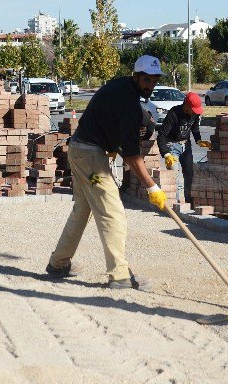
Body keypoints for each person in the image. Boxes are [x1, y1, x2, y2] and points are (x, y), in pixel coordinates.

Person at [45, 55, 167, 290]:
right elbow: (132, 156)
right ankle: (120, 276)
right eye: (146, 79)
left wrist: (114, 147)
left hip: (81, 150)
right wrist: (152, 186)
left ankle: (58, 263)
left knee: (81, 211)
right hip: (90, 157)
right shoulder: (130, 107)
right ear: (136, 76)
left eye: (154, 80)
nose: (150, 84)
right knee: (113, 213)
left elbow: (118, 137)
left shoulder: (122, 87)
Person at [156, 92, 211, 205]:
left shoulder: (195, 114)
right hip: (172, 145)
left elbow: (194, 129)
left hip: (186, 145)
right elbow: (161, 135)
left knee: (189, 173)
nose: (194, 113)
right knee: (173, 174)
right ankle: (175, 203)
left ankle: (189, 200)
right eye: (193, 110)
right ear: (186, 106)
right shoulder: (174, 113)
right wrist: (166, 154)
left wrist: (199, 140)